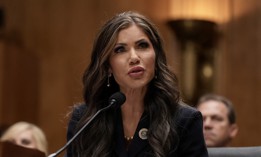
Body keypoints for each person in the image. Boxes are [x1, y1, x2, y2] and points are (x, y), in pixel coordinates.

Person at [65, 11, 208, 157]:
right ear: (108, 66)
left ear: (156, 57)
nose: (134, 58)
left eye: (142, 45)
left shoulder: (185, 121)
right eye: (120, 49)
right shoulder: (85, 120)